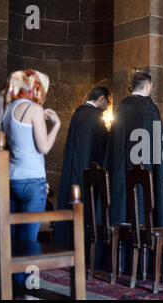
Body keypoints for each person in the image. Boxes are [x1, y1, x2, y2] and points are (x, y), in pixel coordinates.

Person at [103, 71, 163, 270]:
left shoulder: (122, 107)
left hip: (123, 175)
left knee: (125, 210)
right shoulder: (150, 108)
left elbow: (114, 143)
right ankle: (147, 262)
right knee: (149, 211)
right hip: (148, 174)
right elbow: (160, 142)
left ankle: (122, 262)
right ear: (148, 85)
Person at [1, 69, 61, 286]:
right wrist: (57, 125)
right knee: (28, 238)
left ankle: (12, 286)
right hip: (33, 181)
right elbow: (43, 147)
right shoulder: (35, 108)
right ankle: (26, 289)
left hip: (12, 180)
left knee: (16, 237)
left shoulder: (7, 110)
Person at [55, 87, 110, 249]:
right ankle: (85, 247)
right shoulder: (94, 117)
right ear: (101, 98)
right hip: (87, 174)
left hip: (74, 168)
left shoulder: (78, 114)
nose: (107, 106)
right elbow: (102, 147)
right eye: (107, 101)